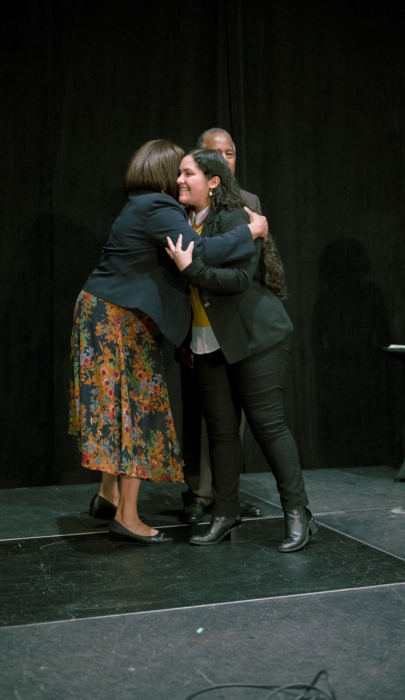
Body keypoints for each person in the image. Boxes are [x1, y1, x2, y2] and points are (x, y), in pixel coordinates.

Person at [68, 139, 269, 547]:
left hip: (106, 311)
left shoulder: (139, 204)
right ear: (162, 171)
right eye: (178, 170)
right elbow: (199, 250)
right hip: (118, 317)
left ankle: (109, 496)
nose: (180, 179)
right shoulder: (158, 206)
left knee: (119, 409)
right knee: (136, 408)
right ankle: (127, 517)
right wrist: (251, 231)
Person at [166, 148, 317, 552]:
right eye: (179, 174)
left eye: (188, 174)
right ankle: (224, 514)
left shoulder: (234, 218)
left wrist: (191, 268)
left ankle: (297, 512)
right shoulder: (181, 221)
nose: (179, 180)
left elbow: (238, 280)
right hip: (207, 342)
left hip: (255, 338)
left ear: (213, 182)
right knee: (221, 433)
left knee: (268, 426)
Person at [179, 128, 263, 524]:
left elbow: (249, 268)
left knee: (232, 419)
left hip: (229, 320)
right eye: (217, 153)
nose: (226, 159)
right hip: (191, 321)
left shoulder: (247, 202)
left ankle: (225, 496)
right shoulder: (181, 200)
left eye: (230, 153)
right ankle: (198, 492)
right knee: (198, 412)